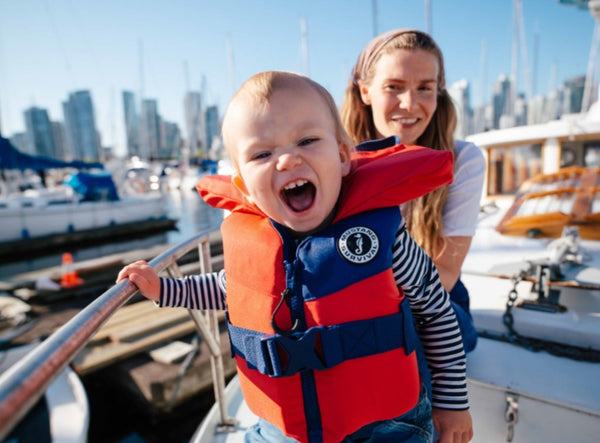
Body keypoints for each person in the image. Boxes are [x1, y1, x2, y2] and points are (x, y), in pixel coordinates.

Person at [117, 71, 473, 443]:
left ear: (341, 158)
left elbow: (436, 312)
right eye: (262, 153)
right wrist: (163, 289)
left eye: (306, 140)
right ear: (244, 189)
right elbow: (224, 290)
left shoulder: (385, 239)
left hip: (386, 427)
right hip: (284, 429)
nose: (287, 160)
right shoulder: (252, 246)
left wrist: (452, 404)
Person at [340, 29, 485, 355]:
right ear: (365, 91)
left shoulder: (462, 160)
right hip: (349, 301)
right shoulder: (335, 161)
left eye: (425, 88)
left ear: (439, 93)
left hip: (434, 301)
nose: (410, 104)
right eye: (394, 87)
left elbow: (445, 273)